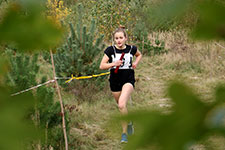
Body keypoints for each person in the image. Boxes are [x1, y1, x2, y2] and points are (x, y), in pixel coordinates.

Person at [99, 26, 142, 143]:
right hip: (114, 81)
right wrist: (113, 63)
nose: (118, 40)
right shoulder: (110, 50)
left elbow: (139, 55)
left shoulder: (132, 49)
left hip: (128, 79)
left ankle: (124, 134)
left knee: (122, 105)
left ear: (125, 38)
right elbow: (102, 65)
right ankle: (129, 123)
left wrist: (136, 63)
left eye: (121, 38)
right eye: (116, 38)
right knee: (121, 107)